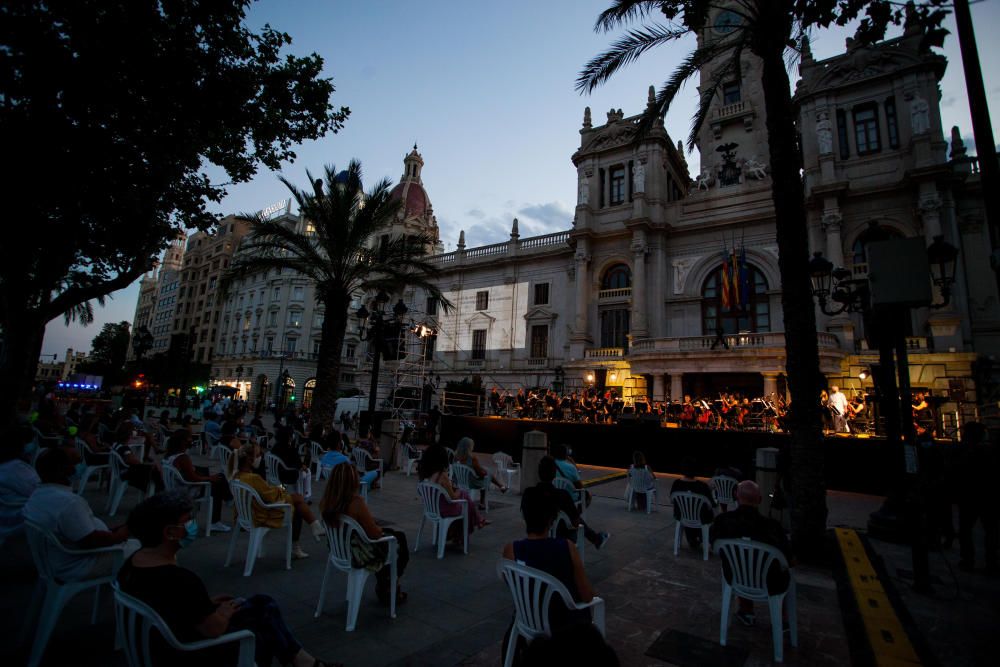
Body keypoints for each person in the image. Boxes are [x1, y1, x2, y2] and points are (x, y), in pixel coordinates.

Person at [118, 493, 339, 667]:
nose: (193, 525)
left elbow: (173, 606)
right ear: (170, 533)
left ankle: (304, 661)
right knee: (264, 618)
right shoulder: (180, 580)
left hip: (162, 642)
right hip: (189, 653)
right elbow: (212, 629)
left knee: (262, 603)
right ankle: (305, 662)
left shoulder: (131, 565)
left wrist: (204, 605)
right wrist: (222, 613)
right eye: (188, 521)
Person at [501, 486, 597, 665]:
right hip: (563, 628)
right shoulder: (567, 548)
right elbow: (587, 596)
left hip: (527, 621)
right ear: (553, 518)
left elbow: (512, 584)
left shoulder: (510, 550)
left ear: (524, 515)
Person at [24, 447, 139, 579]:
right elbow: (90, 540)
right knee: (144, 552)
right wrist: (120, 535)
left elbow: (79, 531)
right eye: (74, 463)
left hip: (58, 559)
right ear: (62, 470)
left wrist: (113, 531)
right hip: (79, 564)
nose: (78, 467)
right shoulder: (69, 502)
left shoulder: (38, 495)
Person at [320, 463, 410, 606]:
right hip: (358, 554)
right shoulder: (356, 503)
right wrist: (379, 529)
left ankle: (385, 583)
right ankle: (391, 586)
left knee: (393, 536)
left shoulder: (327, 502)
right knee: (398, 539)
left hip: (339, 550)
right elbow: (374, 534)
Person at [710, 480, 794, 626]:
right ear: (760, 500)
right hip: (769, 582)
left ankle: (746, 610)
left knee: (741, 563)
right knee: (780, 570)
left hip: (735, 577)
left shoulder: (722, 521)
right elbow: (789, 559)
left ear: (736, 495)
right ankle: (782, 618)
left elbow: (715, 545)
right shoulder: (772, 527)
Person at [231, 442, 325, 560]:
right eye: (258, 455)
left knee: (297, 501)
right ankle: (311, 529)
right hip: (262, 514)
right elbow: (270, 496)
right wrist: (281, 488)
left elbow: (265, 493)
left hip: (249, 513)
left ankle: (313, 527)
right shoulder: (253, 478)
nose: (260, 458)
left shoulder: (237, 476)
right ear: (250, 459)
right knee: (298, 503)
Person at [163, 429, 232, 533]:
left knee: (215, 479)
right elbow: (193, 478)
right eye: (190, 438)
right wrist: (209, 478)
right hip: (186, 491)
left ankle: (228, 500)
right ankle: (222, 510)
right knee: (217, 483)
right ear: (183, 441)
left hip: (175, 488)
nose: (192, 440)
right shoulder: (183, 457)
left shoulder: (169, 455)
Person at [417, 445, 488, 543]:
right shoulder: (442, 475)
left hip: (431, 509)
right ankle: (472, 525)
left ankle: (462, 530)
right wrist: (458, 490)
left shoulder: (424, 475)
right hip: (443, 510)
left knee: (465, 499)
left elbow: (423, 492)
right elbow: (453, 497)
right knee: (465, 500)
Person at [537, 456, 609, 550]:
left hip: (538, 531)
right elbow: (575, 523)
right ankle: (595, 539)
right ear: (554, 473)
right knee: (573, 524)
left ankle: (595, 538)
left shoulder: (528, 493)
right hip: (556, 532)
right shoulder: (562, 495)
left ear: (538, 473)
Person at [954, 422, 998, 572]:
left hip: (970, 496)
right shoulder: (990, 450)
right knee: (990, 531)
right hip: (988, 496)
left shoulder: (967, 451)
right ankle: (991, 562)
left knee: (966, 530)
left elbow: (957, 471)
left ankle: (968, 560)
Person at [0, 422, 41, 542]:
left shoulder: (8, 464)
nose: (33, 444)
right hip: (18, 517)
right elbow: (39, 491)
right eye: (31, 441)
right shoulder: (16, 469)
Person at [669, 456, 716, 550]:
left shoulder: (676, 484)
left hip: (681, 515)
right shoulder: (702, 486)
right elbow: (712, 505)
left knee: (689, 511)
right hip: (701, 518)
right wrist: (709, 491)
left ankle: (693, 538)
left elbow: (672, 500)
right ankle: (703, 538)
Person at [453, 436, 507, 510]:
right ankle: (483, 502)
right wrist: (485, 473)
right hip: (472, 483)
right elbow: (480, 474)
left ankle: (501, 487)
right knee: (487, 476)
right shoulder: (472, 458)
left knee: (487, 472)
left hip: (460, 481)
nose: (473, 447)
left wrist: (483, 470)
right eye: (472, 446)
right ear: (468, 447)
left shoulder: (456, 457)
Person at [111, 424, 165, 494]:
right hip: (127, 472)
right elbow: (131, 460)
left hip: (122, 470)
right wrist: (141, 463)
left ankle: (157, 488)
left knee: (154, 468)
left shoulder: (116, 444)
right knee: (155, 469)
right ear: (129, 436)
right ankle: (159, 490)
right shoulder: (124, 448)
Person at [550, 443, 591, 508]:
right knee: (588, 495)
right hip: (569, 497)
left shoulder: (550, 464)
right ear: (566, 455)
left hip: (553, 495)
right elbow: (579, 486)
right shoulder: (571, 467)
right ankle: (576, 515)